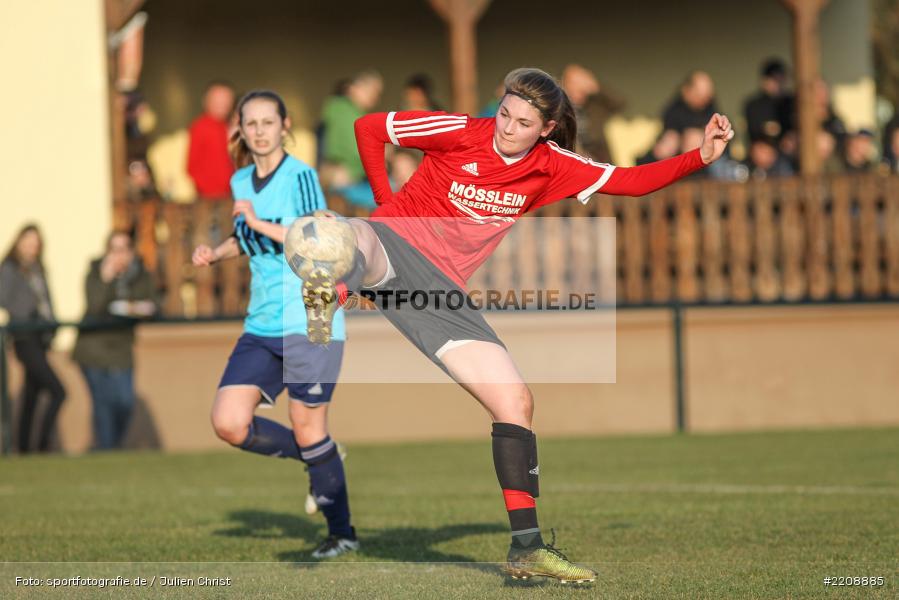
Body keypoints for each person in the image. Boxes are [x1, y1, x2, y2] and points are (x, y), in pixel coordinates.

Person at [298, 68, 734, 583]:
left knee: (516, 402)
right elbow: (370, 128)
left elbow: (629, 182)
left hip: (436, 294)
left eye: (523, 123)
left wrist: (700, 157)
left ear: (546, 129)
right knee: (354, 234)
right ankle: (331, 293)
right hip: (393, 243)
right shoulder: (463, 130)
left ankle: (526, 549)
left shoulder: (553, 164)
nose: (507, 127)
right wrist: (384, 202)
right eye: (505, 114)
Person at [191, 90, 358, 558]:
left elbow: (314, 236)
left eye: (269, 122)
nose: (260, 131)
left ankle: (342, 534)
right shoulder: (241, 179)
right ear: (241, 130)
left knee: (307, 427)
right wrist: (216, 252)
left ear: (285, 126)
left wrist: (256, 221)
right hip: (262, 322)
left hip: (310, 315)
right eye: (252, 123)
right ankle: (322, 456)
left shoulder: (301, 176)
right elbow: (246, 236)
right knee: (228, 422)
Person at [72, 231, 157, 450]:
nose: (119, 255)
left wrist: (138, 308)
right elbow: (94, 307)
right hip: (92, 348)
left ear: (131, 252)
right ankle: (107, 451)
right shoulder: (95, 273)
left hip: (122, 348)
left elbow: (152, 304)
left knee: (125, 402)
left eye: (124, 249)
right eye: (114, 250)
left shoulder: (140, 275)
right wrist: (105, 279)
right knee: (103, 404)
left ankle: (112, 448)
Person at [0, 225, 65, 453]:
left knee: (31, 395)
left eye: (35, 242)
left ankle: (25, 448)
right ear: (18, 242)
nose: (31, 247)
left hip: (40, 337)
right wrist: (28, 312)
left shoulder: (39, 269)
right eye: (27, 241)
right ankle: (42, 444)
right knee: (58, 391)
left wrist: (51, 325)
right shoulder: (10, 268)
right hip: (24, 337)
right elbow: (3, 298)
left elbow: (47, 301)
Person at [320, 71, 383, 208]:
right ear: (355, 88)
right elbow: (357, 149)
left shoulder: (353, 112)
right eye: (371, 90)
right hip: (343, 176)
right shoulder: (342, 109)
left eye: (377, 93)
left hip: (349, 177)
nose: (375, 97)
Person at [187, 81, 236, 203]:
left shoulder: (227, 127)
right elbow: (192, 166)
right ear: (205, 101)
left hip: (229, 193)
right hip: (209, 197)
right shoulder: (200, 127)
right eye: (217, 99)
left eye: (226, 100)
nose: (222, 104)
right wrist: (206, 190)